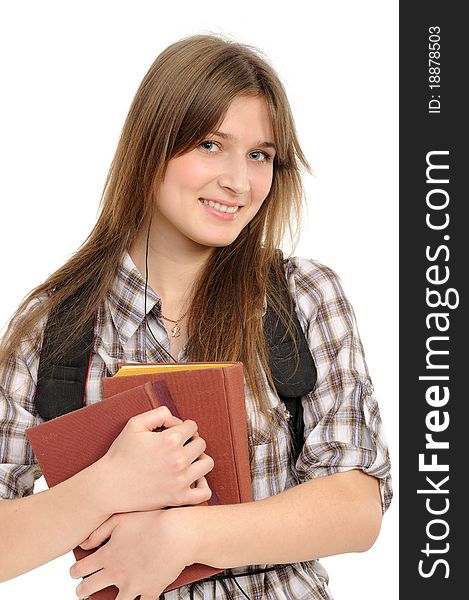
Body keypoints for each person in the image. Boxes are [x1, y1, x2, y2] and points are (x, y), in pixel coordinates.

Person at [0, 33, 392, 600]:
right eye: (211, 145)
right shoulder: (51, 331)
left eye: (260, 155)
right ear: (152, 145)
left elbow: (358, 507)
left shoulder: (302, 296)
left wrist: (183, 535)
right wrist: (106, 485)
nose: (239, 181)